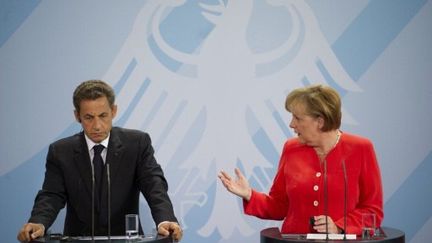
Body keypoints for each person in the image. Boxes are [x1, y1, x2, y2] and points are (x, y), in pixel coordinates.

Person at [17, 80, 182, 242]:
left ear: (114, 111)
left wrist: (165, 219)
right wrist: (38, 221)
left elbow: (154, 185)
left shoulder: (137, 144)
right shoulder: (61, 151)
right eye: (89, 117)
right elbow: (51, 195)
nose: (97, 126)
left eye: (103, 116)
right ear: (77, 116)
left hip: (125, 239)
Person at [218, 84, 383, 235]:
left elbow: (373, 211)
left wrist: (339, 227)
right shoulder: (290, 148)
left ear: (320, 121)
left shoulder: (361, 148)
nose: (291, 124)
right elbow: (279, 206)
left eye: (298, 118)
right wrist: (249, 195)